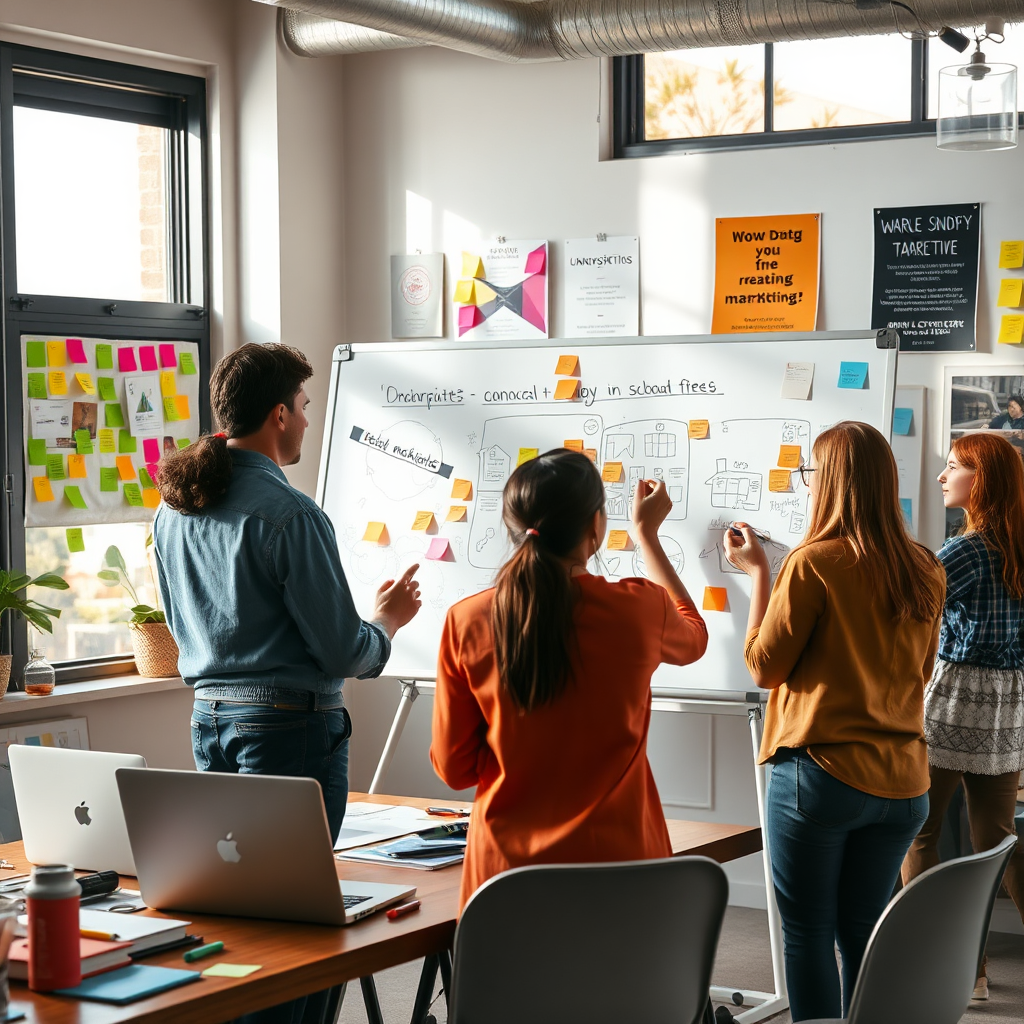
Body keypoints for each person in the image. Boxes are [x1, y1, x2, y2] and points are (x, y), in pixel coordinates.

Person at [154, 343, 421, 1024]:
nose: (307, 421)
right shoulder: (293, 515)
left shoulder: (175, 508)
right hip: (288, 728)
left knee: (239, 913)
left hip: (210, 720)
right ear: (278, 414)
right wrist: (385, 625)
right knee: (296, 926)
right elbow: (339, 651)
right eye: (303, 407)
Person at [724, 421, 945, 1023]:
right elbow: (922, 669)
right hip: (904, 783)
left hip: (821, 775)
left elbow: (765, 668)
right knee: (863, 931)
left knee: (809, 932)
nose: (805, 483)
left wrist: (758, 577)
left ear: (831, 483)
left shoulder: (811, 563)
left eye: (809, 473)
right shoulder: (925, 566)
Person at [430, 449, 708, 910]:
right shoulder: (640, 608)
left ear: (513, 527)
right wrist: (647, 538)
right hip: (620, 869)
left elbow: (455, 768)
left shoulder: (466, 620)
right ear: (595, 527)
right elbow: (694, 636)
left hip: (503, 880)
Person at [901, 432, 1024, 1001]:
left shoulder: (965, 549)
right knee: (997, 841)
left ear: (982, 482)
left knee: (922, 834)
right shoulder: (1020, 542)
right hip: (1007, 703)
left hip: (954, 699)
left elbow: (906, 605)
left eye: (952, 468)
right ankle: (969, 971)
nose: (941, 477)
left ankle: (953, 967)